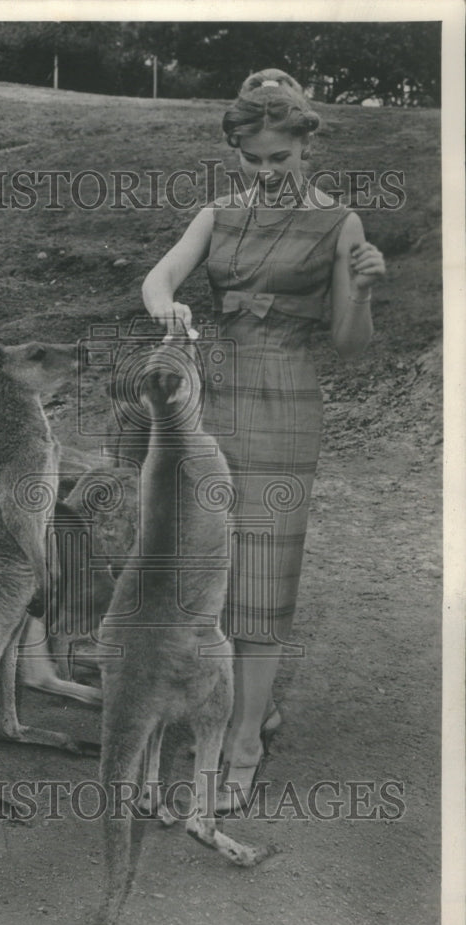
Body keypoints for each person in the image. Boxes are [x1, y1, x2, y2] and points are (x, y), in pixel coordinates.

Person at [141, 68, 386, 813]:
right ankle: (233, 712)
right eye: (253, 160)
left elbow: (349, 343)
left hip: (286, 404)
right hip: (212, 400)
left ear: (306, 147)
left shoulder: (340, 223)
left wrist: (365, 289)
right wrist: (169, 308)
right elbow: (159, 280)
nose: (267, 173)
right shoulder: (216, 214)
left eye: (280, 159)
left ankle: (245, 742)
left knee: (265, 579)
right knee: (206, 563)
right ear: (236, 154)